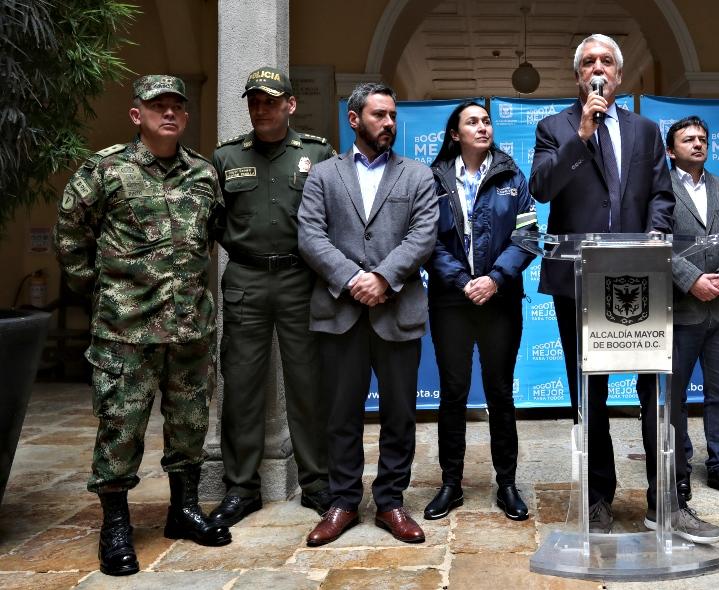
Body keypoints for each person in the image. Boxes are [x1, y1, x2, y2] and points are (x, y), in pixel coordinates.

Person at [53, 75, 231, 577]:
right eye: (157, 107)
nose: (168, 114)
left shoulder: (202, 174)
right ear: (137, 115)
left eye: (177, 106)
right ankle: (115, 525)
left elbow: (211, 235)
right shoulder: (106, 169)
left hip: (190, 327)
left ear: (186, 116)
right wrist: (101, 291)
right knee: (120, 428)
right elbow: (70, 233)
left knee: (190, 422)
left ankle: (184, 510)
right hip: (125, 331)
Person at [529, 34, 675, 535]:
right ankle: (598, 497)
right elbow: (542, 187)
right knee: (587, 395)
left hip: (641, 277)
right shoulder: (555, 128)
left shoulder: (647, 130)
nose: (597, 68)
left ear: (618, 74)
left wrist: (657, 234)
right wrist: (584, 135)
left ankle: (664, 498)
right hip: (578, 281)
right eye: (588, 62)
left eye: (606, 61)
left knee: (652, 390)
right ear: (578, 77)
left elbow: (661, 193)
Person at [298, 82, 438, 546]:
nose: (389, 123)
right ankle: (342, 502)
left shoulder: (417, 175)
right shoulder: (323, 174)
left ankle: (391, 502)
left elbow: (422, 236)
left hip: (397, 309)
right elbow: (310, 236)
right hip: (339, 311)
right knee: (340, 412)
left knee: (400, 412)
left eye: (393, 115)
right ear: (354, 119)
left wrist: (381, 278)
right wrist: (352, 279)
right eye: (379, 115)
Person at [209, 67, 337, 528]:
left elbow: (333, 216)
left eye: (270, 100)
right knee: (241, 385)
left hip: (301, 278)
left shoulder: (318, 154)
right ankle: (241, 488)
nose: (261, 108)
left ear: (290, 104)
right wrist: (244, 252)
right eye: (254, 101)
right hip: (245, 278)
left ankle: (317, 482)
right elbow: (213, 221)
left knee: (307, 382)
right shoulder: (226, 158)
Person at [422, 101, 537, 521]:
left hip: (500, 298)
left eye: (487, 121)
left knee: (500, 393)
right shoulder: (432, 180)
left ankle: (506, 483)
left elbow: (527, 237)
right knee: (452, 394)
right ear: (455, 134)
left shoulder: (511, 175)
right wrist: (461, 281)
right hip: (451, 301)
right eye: (472, 121)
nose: (482, 126)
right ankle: (450, 483)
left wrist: (494, 279)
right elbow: (426, 241)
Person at [665, 116, 719, 512]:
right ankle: (678, 469)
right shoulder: (658, 191)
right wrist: (691, 279)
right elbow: (656, 243)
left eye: (702, 138)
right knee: (675, 396)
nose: (698, 144)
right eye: (688, 139)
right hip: (681, 309)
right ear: (671, 150)